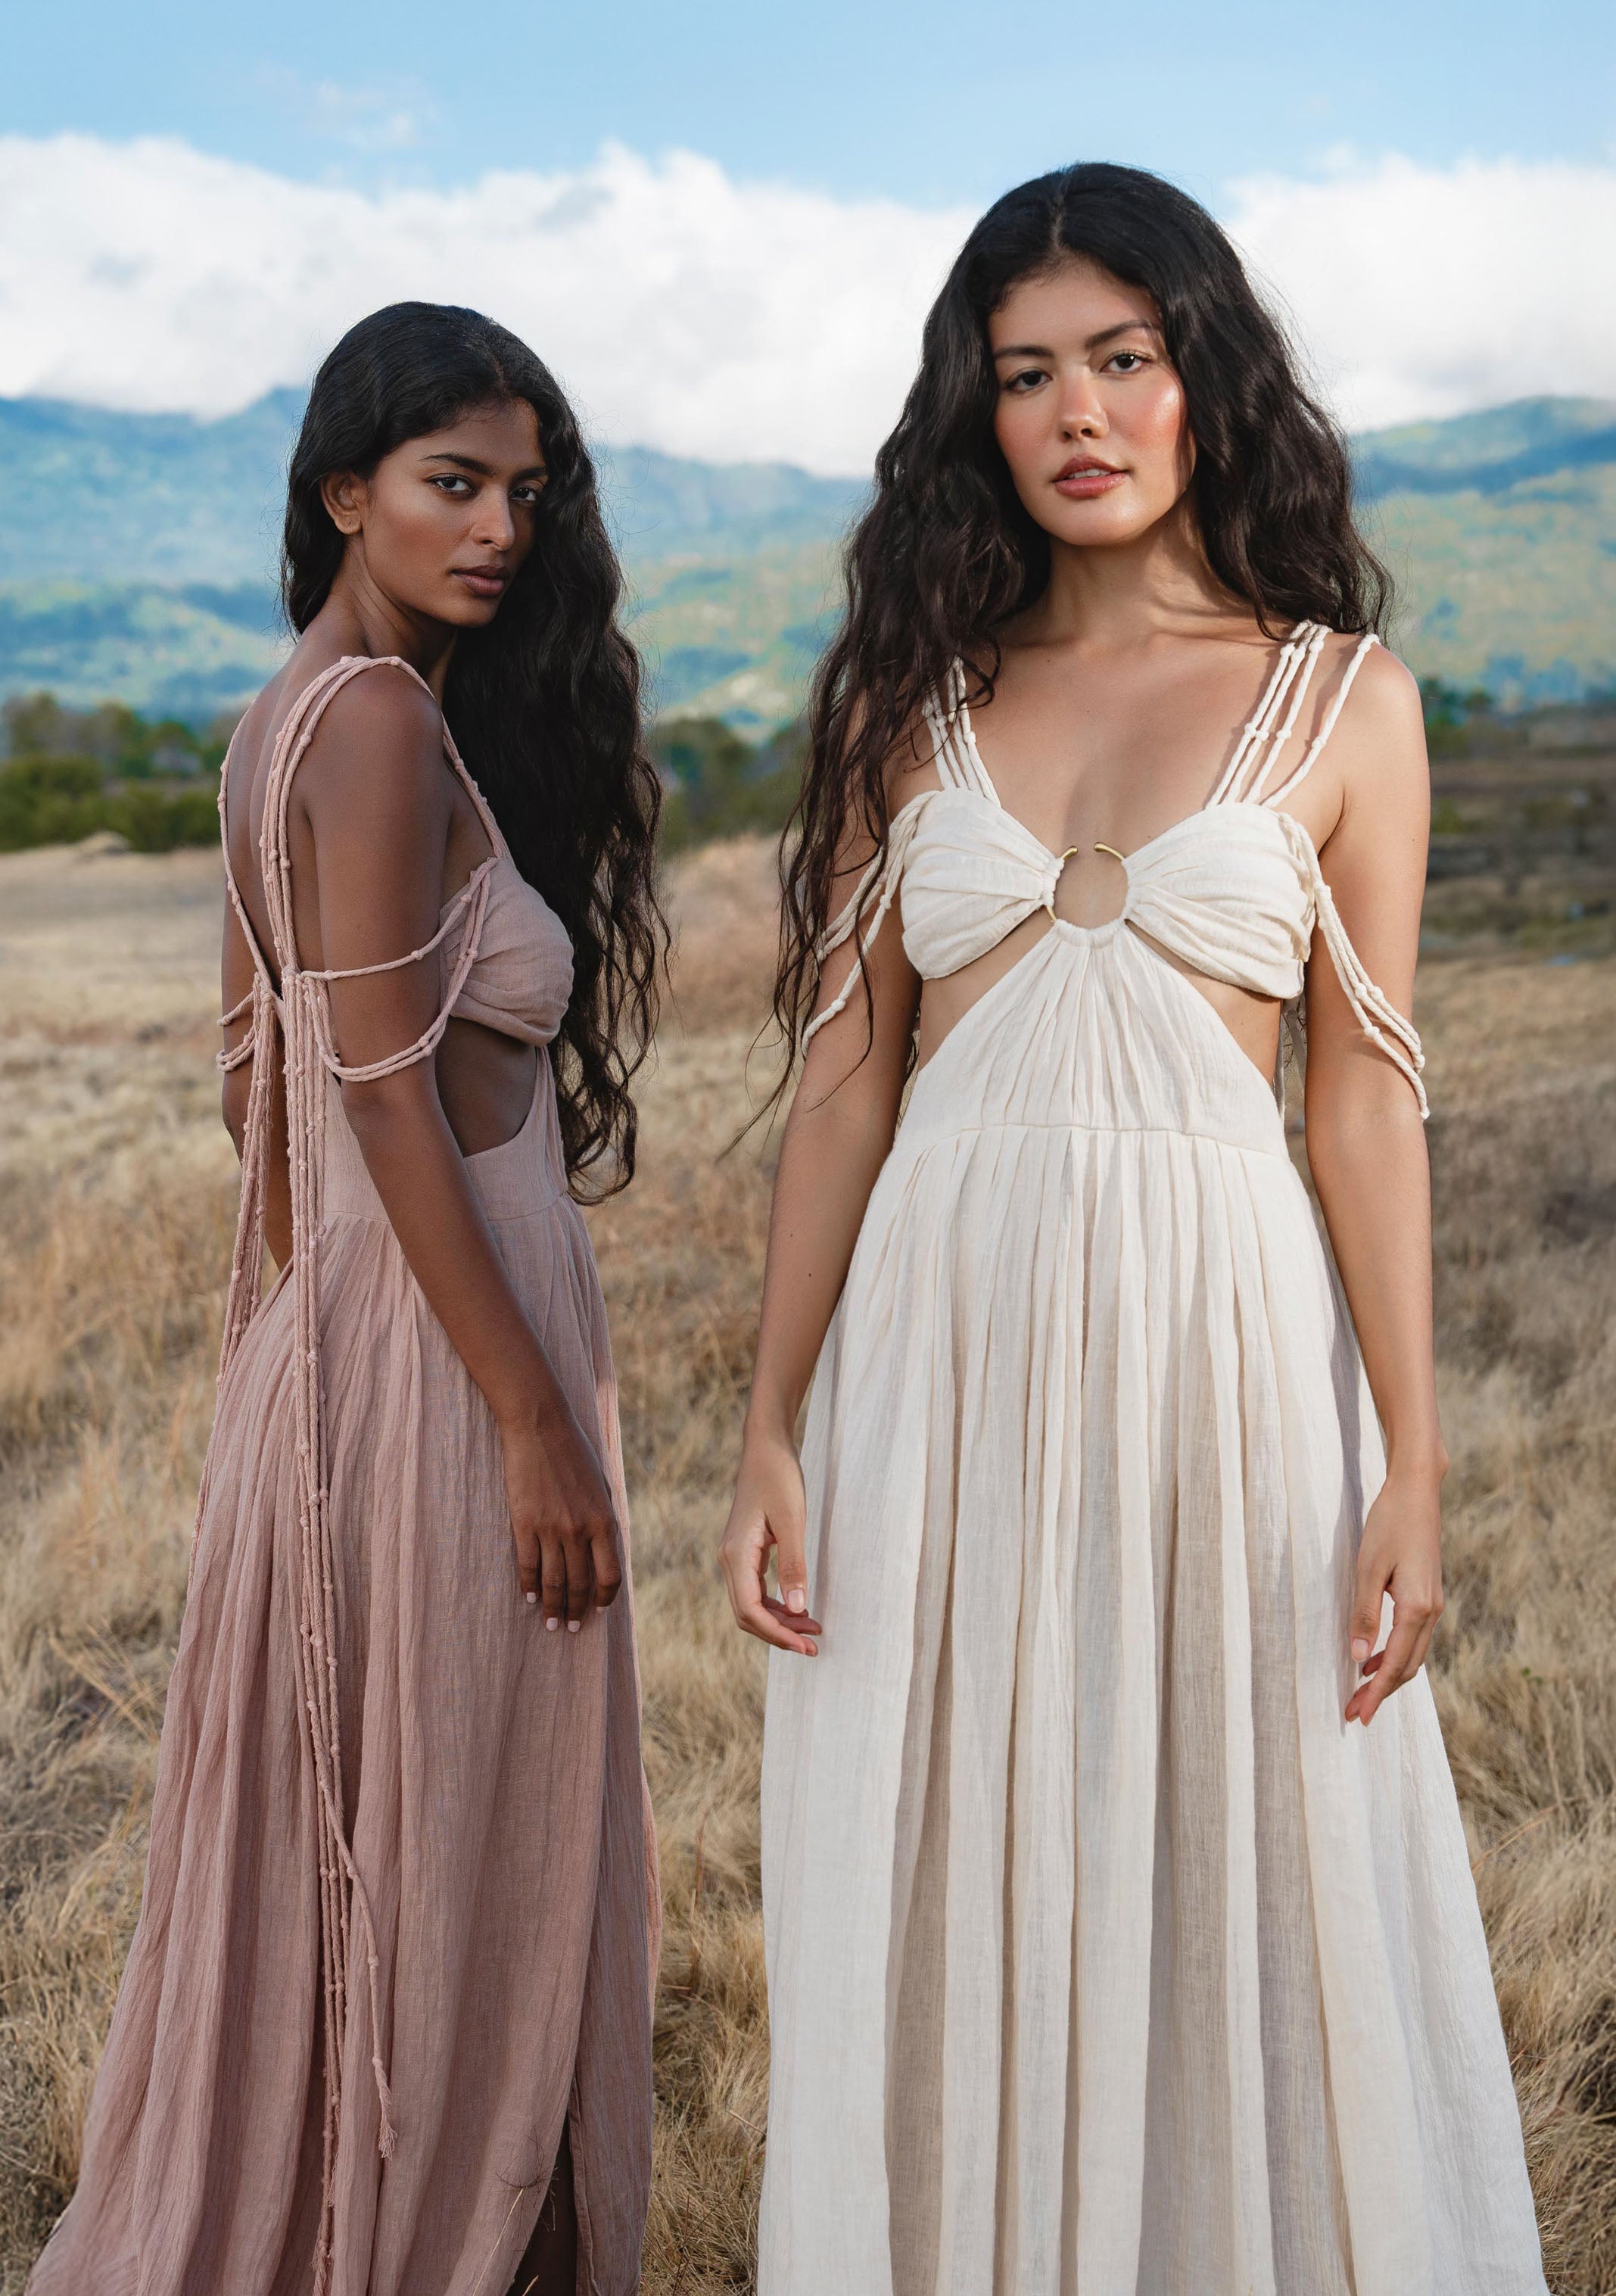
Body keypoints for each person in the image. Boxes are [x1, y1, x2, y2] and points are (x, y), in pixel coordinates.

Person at [721, 165, 1548, 2294]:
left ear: (1204, 378)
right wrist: (770, 1422)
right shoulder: (911, 694)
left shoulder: (1342, 697)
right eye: (1026, 372)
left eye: (1123, 355)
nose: (1080, 409)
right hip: (944, 1342)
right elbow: (843, 1087)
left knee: (1243, 1845)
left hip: (1232, 1356)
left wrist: (1418, 1461)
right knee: (947, 1844)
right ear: (973, 415)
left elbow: (1366, 1093)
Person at [30, 303, 663, 2296]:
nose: (496, 529)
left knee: (406, 1833)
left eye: (521, 494)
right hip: (448, 1360)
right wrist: (515, 1409)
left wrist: (337, 1366)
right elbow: (377, 1085)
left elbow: (257, 1087)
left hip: (360, 1349)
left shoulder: (279, 723)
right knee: (488, 1850)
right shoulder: (376, 726)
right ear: (344, 493)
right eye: (450, 485)